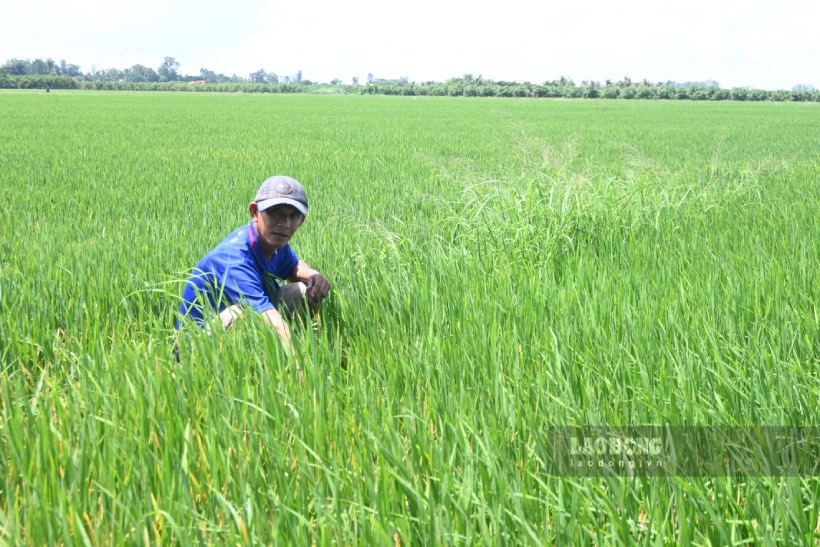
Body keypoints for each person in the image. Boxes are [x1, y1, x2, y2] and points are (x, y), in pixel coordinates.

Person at [176, 175, 330, 362]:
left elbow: (293, 266)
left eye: (293, 216)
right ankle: (274, 360)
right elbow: (271, 321)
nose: (285, 224)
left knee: (302, 290)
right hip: (195, 345)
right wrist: (303, 368)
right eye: (276, 212)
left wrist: (313, 275)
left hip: (243, 323)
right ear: (254, 211)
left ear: (302, 220)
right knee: (242, 314)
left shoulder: (273, 242)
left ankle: (295, 343)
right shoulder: (235, 257)